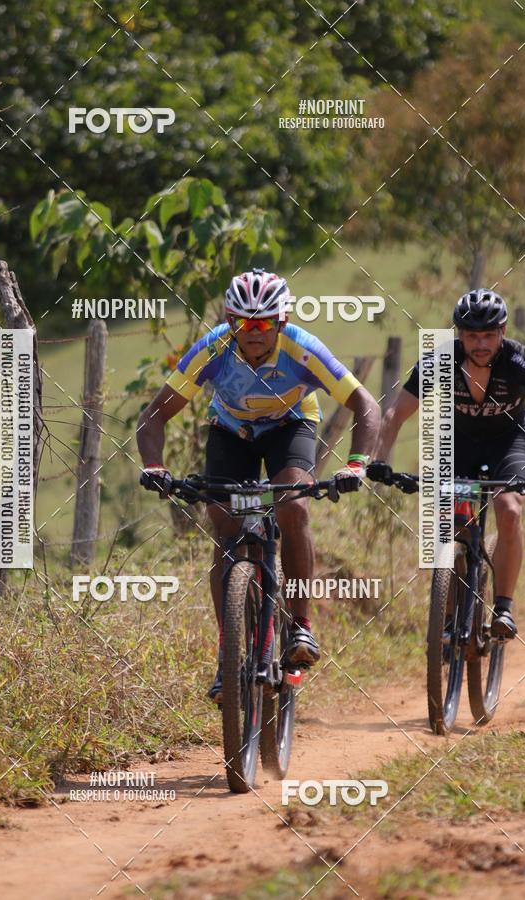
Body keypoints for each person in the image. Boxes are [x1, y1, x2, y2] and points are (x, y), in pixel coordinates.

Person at [137, 268, 380, 701]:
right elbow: (154, 414)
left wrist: (357, 464)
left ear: (281, 322)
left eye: (264, 323)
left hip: (291, 426)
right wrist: (154, 466)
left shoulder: (302, 349)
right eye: (244, 323)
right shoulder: (213, 348)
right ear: (230, 321)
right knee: (224, 521)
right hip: (231, 432)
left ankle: (301, 625)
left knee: (293, 506)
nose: (253, 332)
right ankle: (228, 655)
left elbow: (365, 403)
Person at [368, 289, 525, 639]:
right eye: (472, 336)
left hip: (509, 442)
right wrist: (378, 461)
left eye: (489, 335)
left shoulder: (518, 362)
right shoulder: (441, 360)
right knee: (449, 517)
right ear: (459, 335)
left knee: (509, 509)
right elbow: (395, 414)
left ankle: (503, 607)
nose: (480, 344)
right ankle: (449, 605)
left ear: (502, 332)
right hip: (460, 442)